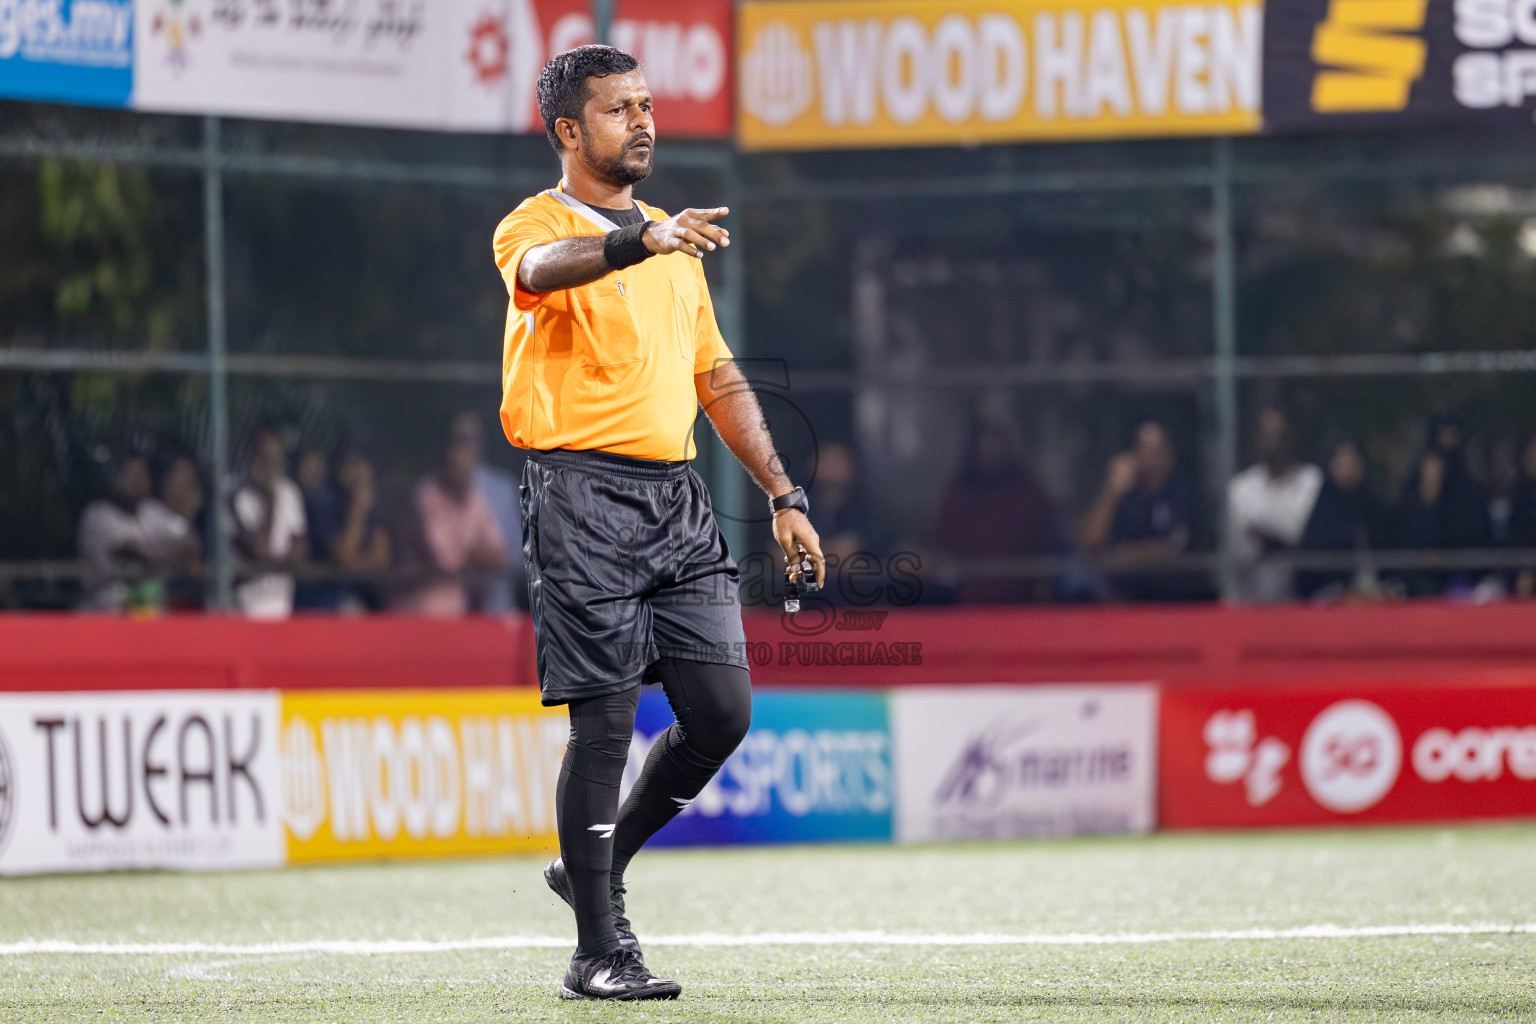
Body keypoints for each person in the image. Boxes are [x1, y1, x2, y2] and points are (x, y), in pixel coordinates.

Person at [492, 45, 825, 1001]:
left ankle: (589, 871)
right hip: (578, 495)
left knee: (723, 713)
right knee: (602, 724)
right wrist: (642, 241)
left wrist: (784, 495)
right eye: (616, 110)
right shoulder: (538, 224)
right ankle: (599, 950)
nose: (642, 122)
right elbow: (543, 272)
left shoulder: (673, 246)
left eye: (645, 105)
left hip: (673, 499)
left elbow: (715, 378)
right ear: (568, 131)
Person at [926, 419, 1060, 603]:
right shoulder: (957, 494)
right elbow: (942, 539)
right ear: (974, 451)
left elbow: (1049, 530)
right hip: (970, 595)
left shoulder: (1026, 489)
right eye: (985, 448)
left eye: (996, 447)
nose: (991, 453)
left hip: (1024, 593)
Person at [1077, 419, 1204, 601]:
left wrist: (1122, 557)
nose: (1154, 462)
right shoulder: (1125, 495)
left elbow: (1176, 547)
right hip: (1126, 601)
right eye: (1146, 454)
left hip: (1178, 600)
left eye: (1159, 453)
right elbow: (1089, 542)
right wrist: (1112, 491)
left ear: (1171, 457)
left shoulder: (1183, 489)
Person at [394, 420, 507, 617]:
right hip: (423, 609)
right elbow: (446, 560)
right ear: (444, 464)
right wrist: (477, 555)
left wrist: (471, 556)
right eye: (457, 465)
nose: (463, 471)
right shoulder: (426, 496)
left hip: (468, 609)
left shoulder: (475, 496)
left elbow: (499, 554)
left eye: (468, 467)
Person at [77, 452, 199, 612]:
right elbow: (125, 551)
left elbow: (188, 540)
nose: (136, 481)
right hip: (105, 610)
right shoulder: (97, 514)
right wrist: (165, 555)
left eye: (141, 475)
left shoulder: (152, 511)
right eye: (131, 474)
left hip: (150, 613)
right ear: (116, 479)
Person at [1227, 406, 1322, 603]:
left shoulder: (1312, 481)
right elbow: (1237, 548)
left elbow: (1304, 537)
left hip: (1301, 604)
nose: (1274, 444)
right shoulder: (1240, 488)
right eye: (1266, 436)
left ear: (1292, 438)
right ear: (1255, 441)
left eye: (1280, 435)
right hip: (1251, 606)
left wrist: (1270, 538)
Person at [297, 446, 392, 612]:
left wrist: (361, 566)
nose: (356, 473)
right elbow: (346, 559)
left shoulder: (368, 505)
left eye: (359, 464)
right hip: (322, 605)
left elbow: (381, 560)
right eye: (349, 465)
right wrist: (357, 510)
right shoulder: (322, 502)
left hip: (356, 599)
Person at [231, 426, 308, 620]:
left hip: (284, 605)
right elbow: (259, 550)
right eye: (264, 455)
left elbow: (299, 548)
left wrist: (276, 564)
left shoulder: (290, 492)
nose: (271, 462)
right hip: (246, 609)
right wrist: (270, 500)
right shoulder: (239, 497)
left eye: (275, 454)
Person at [1297, 435, 1385, 601]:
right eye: (1342, 463)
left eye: (1354, 462)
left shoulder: (1377, 510)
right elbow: (1308, 578)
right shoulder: (1322, 517)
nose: (1349, 468)